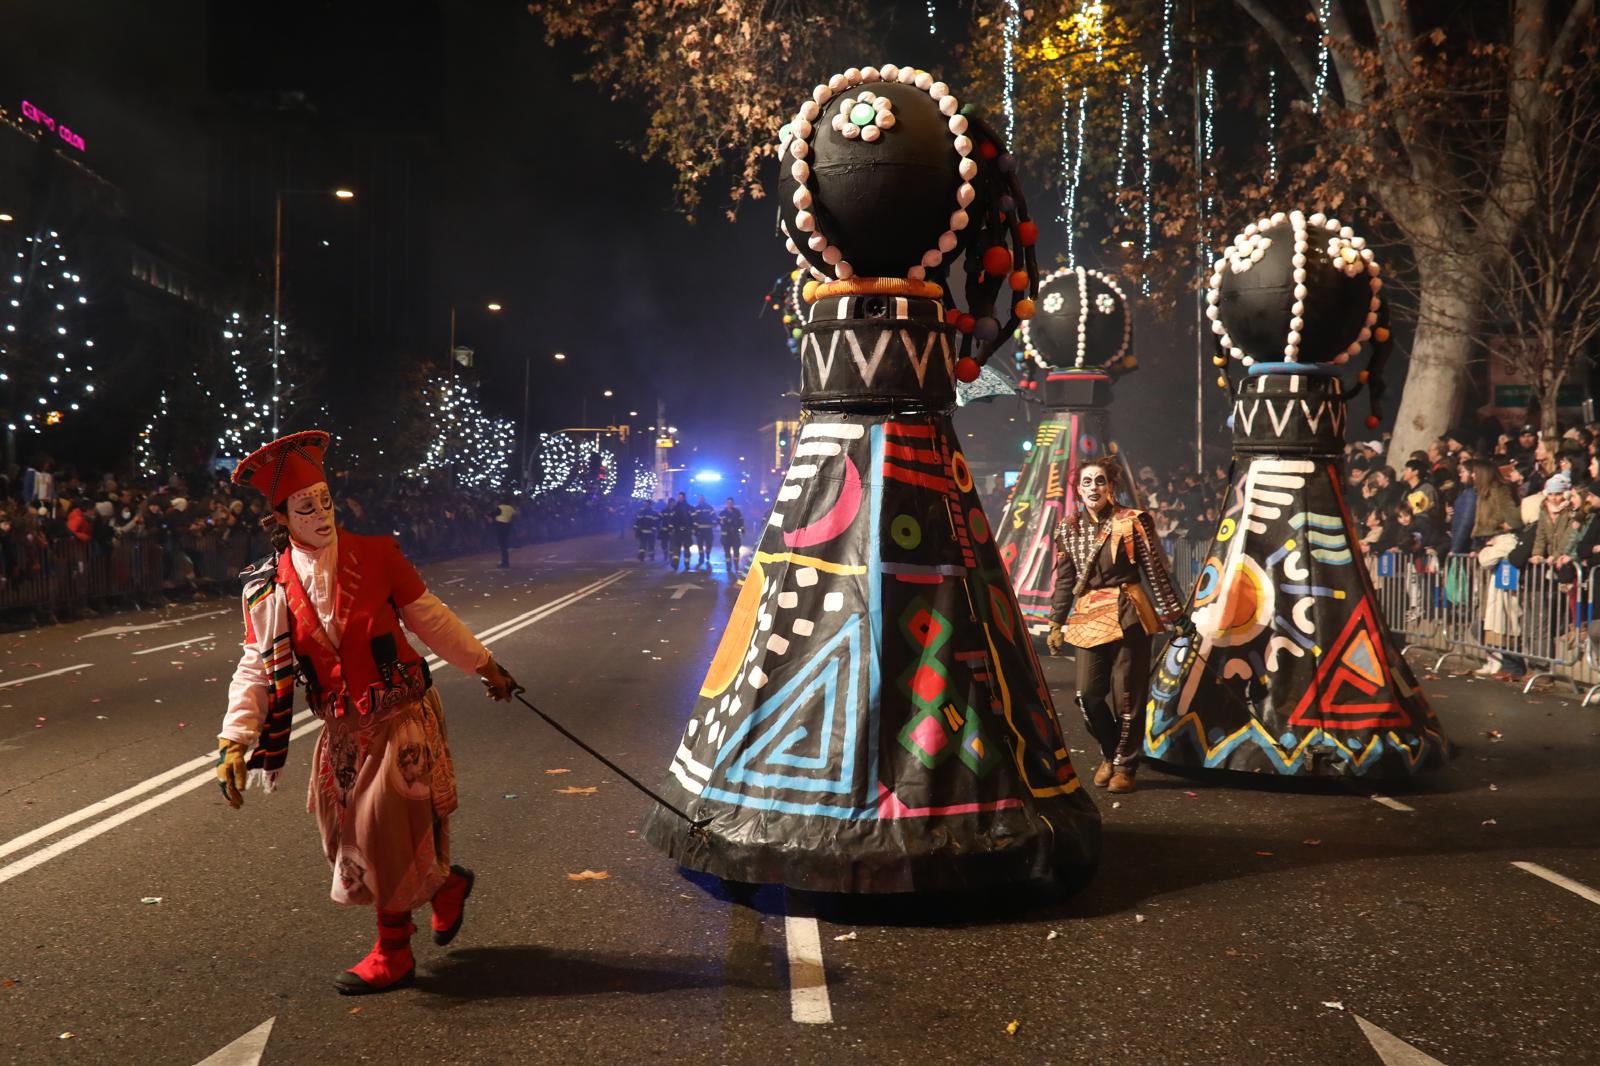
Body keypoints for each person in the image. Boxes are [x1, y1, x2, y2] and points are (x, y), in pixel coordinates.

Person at [215, 431, 521, 996]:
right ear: (280, 518)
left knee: (381, 830)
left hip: (400, 712)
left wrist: (485, 664)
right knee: (344, 841)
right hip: (343, 727)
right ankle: (445, 886)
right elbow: (257, 663)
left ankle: (393, 953)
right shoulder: (266, 587)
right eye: (306, 508)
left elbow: (430, 617)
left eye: (325, 502)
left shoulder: (378, 554)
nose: (321, 515)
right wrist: (236, 737)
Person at [1046, 459, 1184, 795]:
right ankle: (1111, 754)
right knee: (1086, 696)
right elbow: (1065, 580)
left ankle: (1124, 767)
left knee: (1127, 697)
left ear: (1110, 486)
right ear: (1078, 489)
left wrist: (1176, 615)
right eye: (1087, 482)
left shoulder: (1132, 521)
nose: (1093, 487)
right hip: (1088, 615)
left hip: (1127, 611)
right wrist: (1055, 622)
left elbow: (1155, 570)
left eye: (1100, 481)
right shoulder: (1068, 528)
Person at [665, 491, 694, 571]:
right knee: (676, 548)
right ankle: (675, 564)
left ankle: (687, 564)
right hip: (677, 531)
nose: (680, 498)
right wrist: (670, 529)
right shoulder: (675, 508)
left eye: (681, 497)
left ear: (684, 498)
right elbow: (671, 519)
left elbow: (693, 519)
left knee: (686, 548)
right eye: (679, 497)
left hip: (686, 531)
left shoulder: (689, 508)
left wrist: (693, 528)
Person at [718, 497, 745, 574]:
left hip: (735, 535)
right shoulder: (722, 513)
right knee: (727, 552)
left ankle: (736, 566)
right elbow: (719, 522)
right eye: (728, 503)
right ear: (726, 503)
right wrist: (725, 524)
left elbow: (741, 522)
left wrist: (742, 529)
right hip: (726, 536)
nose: (729, 504)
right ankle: (728, 566)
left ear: (733, 503)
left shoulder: (737, 512)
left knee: (736, 552)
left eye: (731, 503)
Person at [691, 495, 716, 571]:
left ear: (704, 499)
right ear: (698, 500)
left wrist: (714, 523)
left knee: (709, 543)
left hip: (708, 529)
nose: (701, 500)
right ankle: (701, 556)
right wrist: (694, 528)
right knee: (700, 544)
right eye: (700, 498)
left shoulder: (709, 507)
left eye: (702, 498)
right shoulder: (696, 508)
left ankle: (708, 553)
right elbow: (693, 518)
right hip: (700, 529)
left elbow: (714, 516)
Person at [491, 495, 516, 568]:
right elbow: (515, 515)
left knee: (502, 545)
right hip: (507, 525)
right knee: (504, 544)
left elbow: (493, 515)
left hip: (500, 525)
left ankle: (504, 562)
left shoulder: (499, 507)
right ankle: (505, 561)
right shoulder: (510, 508)